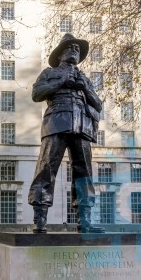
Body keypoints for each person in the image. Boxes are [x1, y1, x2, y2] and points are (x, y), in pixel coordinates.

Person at [28, 33, 102, 233]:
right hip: (56, 123)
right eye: (70, 48)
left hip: (82, 127)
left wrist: (85, 89)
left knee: (84, 173)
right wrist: (60, 82)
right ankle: (40, 219)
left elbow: (98, 105)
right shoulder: (48, 73)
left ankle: (84, 220)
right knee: (46, 168)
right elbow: (36, 94)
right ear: (60, 54)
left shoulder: (85, 79)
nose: (75, 51)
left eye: (77, 49)